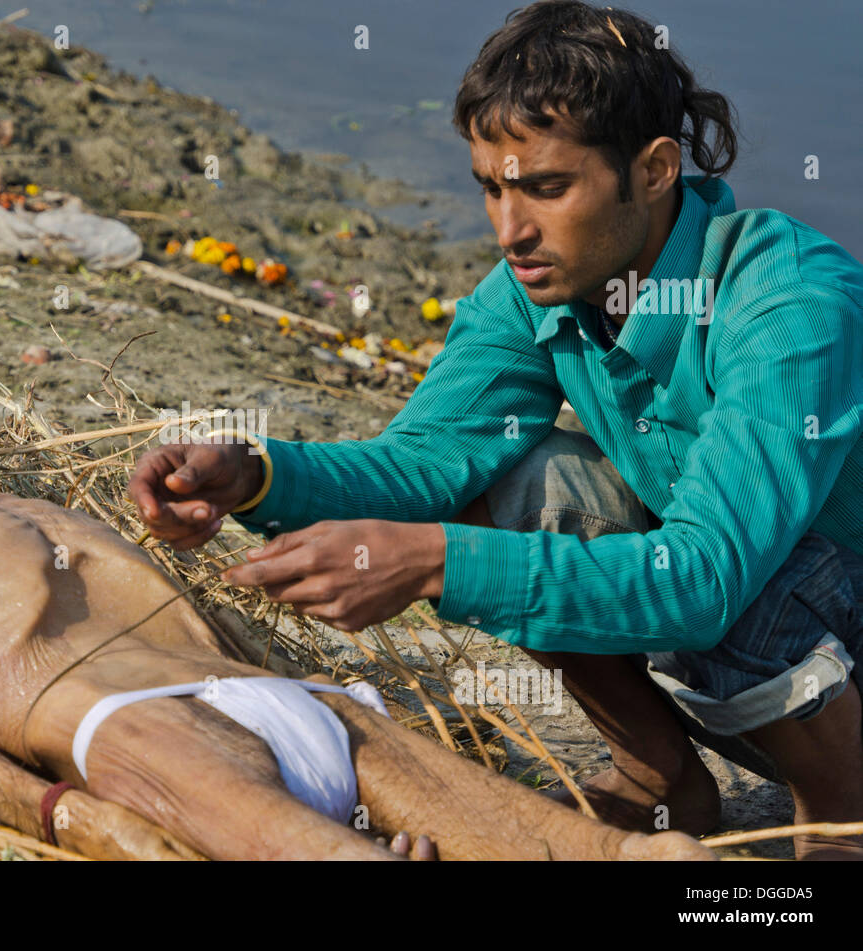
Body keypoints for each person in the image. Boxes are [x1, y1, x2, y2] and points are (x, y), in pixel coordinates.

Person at [129, 0, 863, 859]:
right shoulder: (541, 281)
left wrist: (439, 561)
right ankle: (659, 777)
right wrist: (255, 475)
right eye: (492, 187)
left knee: (746, 565)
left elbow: (704, 582)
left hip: (814, 634)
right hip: (764, 656)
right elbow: (425, 463)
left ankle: (839, 819)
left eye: (548, 188)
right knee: (502, 482)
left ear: (656, 170)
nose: (510, 230)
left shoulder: (787, 305)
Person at [0, 331, 711, 861]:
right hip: (120, 728)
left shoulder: (14, 501)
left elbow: (207, 624)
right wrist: (58, 813)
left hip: (299, 710)